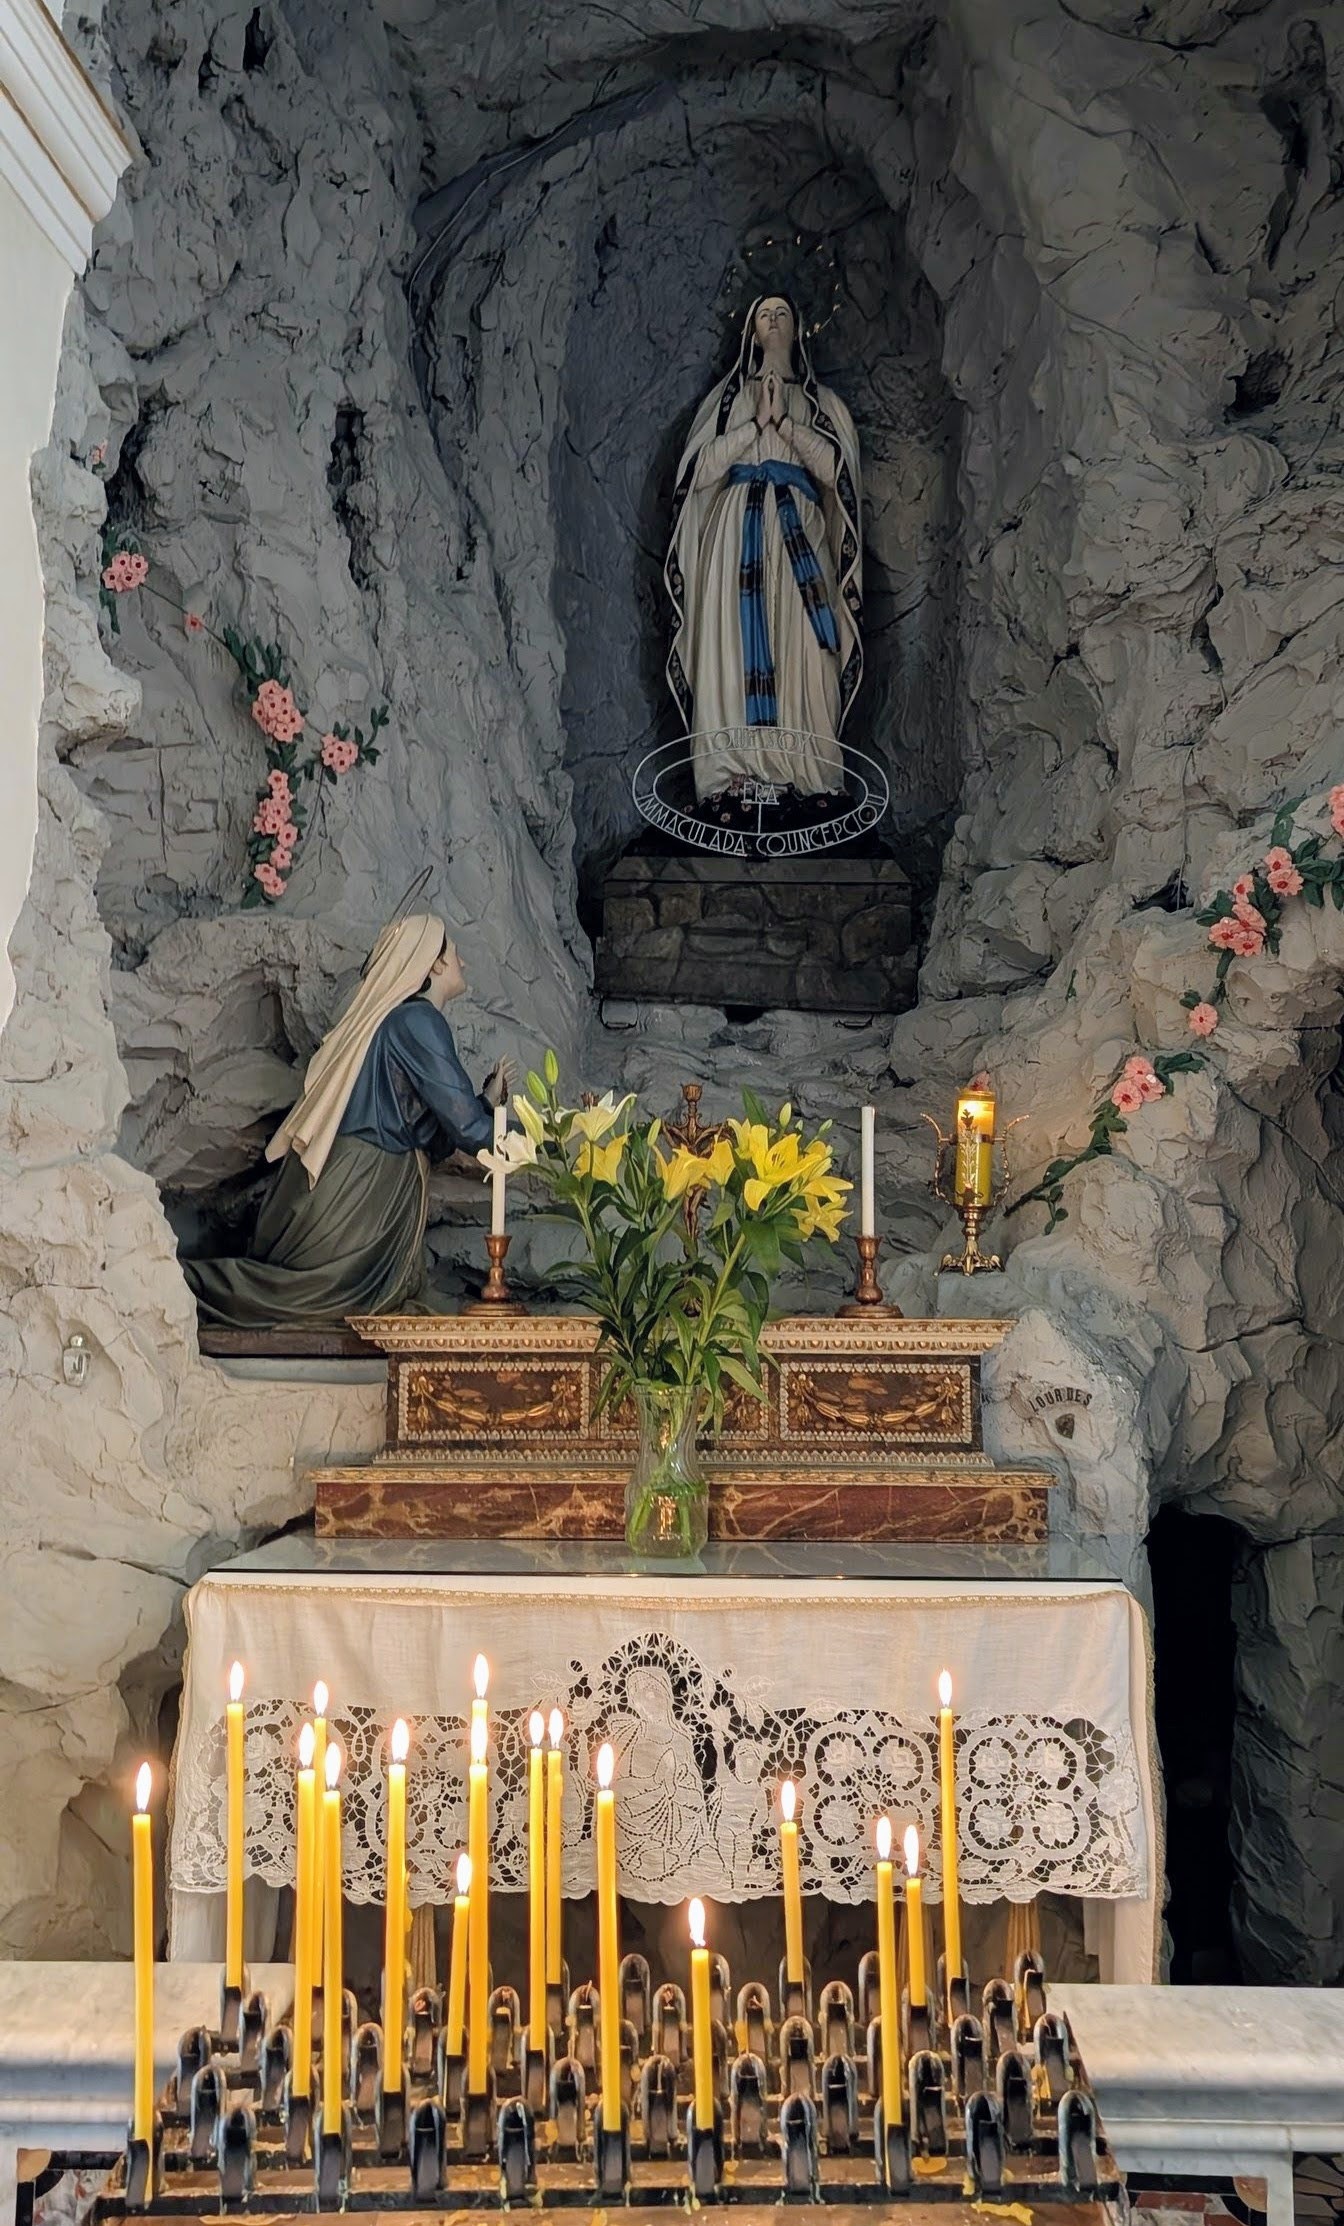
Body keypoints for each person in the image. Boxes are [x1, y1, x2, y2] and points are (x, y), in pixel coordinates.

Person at [183, 913, 510, 1327]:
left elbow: (435, 1135)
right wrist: (547, 1144)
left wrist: (485, 1102)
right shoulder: (418, 1021)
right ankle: (182, 1281)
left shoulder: (401, 1021)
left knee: (325, 1298)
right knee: (312, 1296)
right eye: (455, 953)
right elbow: (466, 1129)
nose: (463, 962)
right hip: (360, 1183)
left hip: (369, 1176)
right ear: (435, 963)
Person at [664, 294, 863, 807]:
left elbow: (837, 475)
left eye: (783, 315)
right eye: (764, 316)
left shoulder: (824, 404)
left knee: (808, 649)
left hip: (800, 528)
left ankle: (810, 775)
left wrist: (786, 425)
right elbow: (698, 473)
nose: (773, 323)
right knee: (731, 641)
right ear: (751, 332)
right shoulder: (727, 402)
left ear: (798, 329)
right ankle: (732, 775)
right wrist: (754, 425)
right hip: (736, 534)